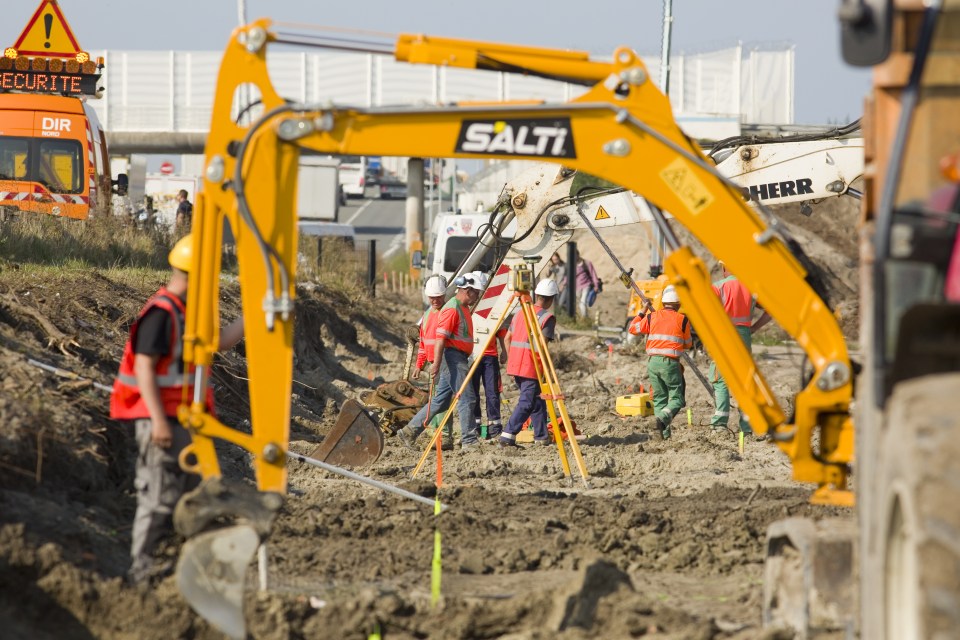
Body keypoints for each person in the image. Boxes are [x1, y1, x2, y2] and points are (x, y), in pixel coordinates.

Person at [109, 234, 244, 584]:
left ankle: (180, 568)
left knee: (188, 496)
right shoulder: (161, 313)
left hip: (184, 420)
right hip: (161, 421)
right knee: (158, 498)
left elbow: (221, 341)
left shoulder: (187, 312)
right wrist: (158, 421)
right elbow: (143, 369)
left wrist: (256, 314)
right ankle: (141, 574)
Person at [397, 271, 484, 450]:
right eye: (477, 293)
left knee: (440, 401)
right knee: (466, 397)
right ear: (468, 290)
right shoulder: (452, 309)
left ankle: (409, 431)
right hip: (452, 358)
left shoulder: (461, 307)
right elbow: (440, 339)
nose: (478, 297)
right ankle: (469, 440)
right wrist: (434, 363)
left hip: (453, 357)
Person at [709, 261, 772, 435]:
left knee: (721, 378)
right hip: (744, 335)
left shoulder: (718, 287)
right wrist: (754, 328)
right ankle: (747, 426)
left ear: (724, 268)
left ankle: (719, 425)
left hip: (724, 335)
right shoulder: (750, 287)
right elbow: (770, 310)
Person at [498, 279, 559, 447]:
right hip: (531, 366)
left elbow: (507, 338)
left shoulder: (520, 313)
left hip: (516, 364)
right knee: (526, 402)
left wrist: (512, 359)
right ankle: (507, 435)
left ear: (537, 295)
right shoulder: (547, 318)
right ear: (550, 298)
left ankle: (541, 436)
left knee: (537, 400)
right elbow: (542, 345)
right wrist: (547, 368)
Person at [628, 285, 692, 440]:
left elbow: (632, 329)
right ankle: (662, 419)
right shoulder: (683, 319)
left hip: (653, 363)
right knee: (677, 399)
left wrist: (643, 311)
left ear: (663, 303)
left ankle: (662, 434)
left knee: (659, 399)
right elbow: (688, 344)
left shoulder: (652, 317)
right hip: (670, 363)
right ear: (678, 304)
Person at [413, 274, 454, 450]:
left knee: (442, 400)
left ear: (444, 295)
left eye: (438, 297)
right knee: (436, 399)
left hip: (445, 361)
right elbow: (423, 344)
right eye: (432, 297)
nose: (435, 300)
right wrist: (419, 364)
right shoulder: (428, 315)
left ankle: (444, 435)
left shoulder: (448, 312)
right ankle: (436, 432)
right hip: (433, 363)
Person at [470, 321, 507, 441]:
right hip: (473, 356)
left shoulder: (494, 308)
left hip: (490, 356)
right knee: (472, 392)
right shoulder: (468, 308)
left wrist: (504, 351)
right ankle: (475, 424)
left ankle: (494, 424)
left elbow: (501, 332)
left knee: (492, 392)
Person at [573, 250, 601, 318]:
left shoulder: (587, 263)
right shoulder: (572, 265)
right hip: (577, 288)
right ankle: (586, 318)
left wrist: (596, 285)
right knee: (580, 304)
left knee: (582, 303)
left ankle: (584, 319)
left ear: (578, 254)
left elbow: (593, 274)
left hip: (586, 285)